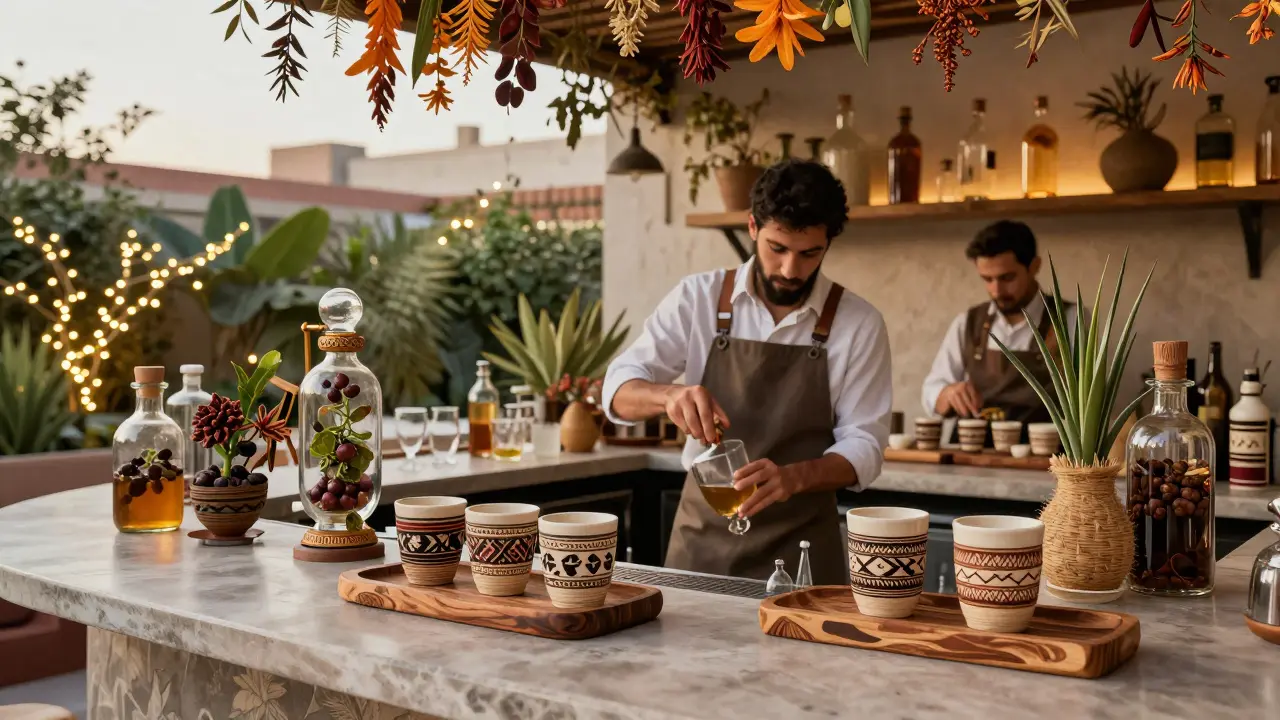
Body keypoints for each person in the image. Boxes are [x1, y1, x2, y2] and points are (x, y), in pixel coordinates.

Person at [602, 159, 892, 585]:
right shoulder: (697, 298)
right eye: (778, 248)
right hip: (702, 540)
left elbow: (865, 444)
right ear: (753, 227)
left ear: (829, 242)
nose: (791, 270)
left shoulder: (859, 323)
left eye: (809, 253)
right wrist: (668, 396)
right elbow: (616, 390)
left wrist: (793, 477)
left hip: (802, 549)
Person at [921, 220, 1076, 424]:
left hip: (1044, 453)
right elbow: (930, 391)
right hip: (972, 451)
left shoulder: (1071, 320)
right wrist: (948, 393)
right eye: (987, 279)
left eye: (1007, 278)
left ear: (1034, 266)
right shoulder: (967, 323)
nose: (996, 291)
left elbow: (1093, 402)